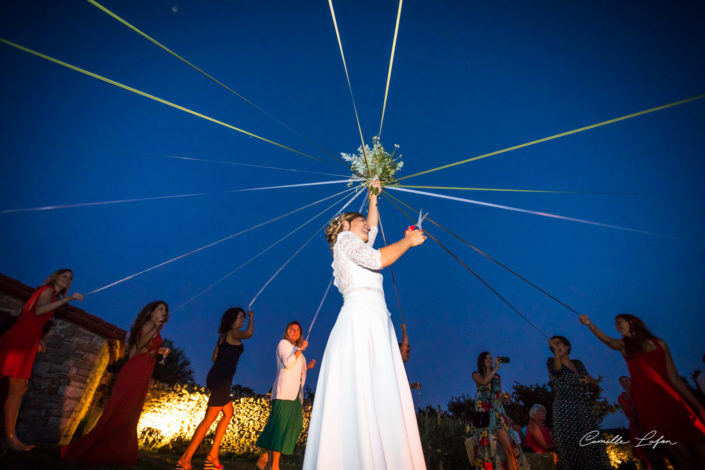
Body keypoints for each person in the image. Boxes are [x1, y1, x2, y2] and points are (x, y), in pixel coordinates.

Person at [302, 180, 427, 470]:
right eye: (360, 223)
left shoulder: (354, 240)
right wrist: (407, 242)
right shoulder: (345, 241)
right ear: (345, 225)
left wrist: (373, 200)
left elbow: (370, 229)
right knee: (364, 389)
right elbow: (377, 258)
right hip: (360, 321)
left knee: (374, 389)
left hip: (375, 319)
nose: (367, 227)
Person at [581, 313, 705, 468]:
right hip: (648, 401)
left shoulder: (660, 343)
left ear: (632, 322)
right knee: (678, 452)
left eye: (619, 322)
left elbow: (674, 378)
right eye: (615, 324)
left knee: (699, 442)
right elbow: (608, 341)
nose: (617, 326)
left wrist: (698, 405)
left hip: (670, 398)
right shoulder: (624, 346)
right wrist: (589, 324)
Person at [61, 300, 169, 465]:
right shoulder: (148, 325)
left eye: (165, 311)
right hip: (135, 372)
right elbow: (140, 344)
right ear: (151, 312)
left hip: (142, 371)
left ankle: (116, 451)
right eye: (160, 309)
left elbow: (135, 352)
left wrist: (157, 352)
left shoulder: (152, 328)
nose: (163, 313)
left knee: (130, 412)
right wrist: (154, 329)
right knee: (120, 411)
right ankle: (99, 449)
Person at [0, 269, 83, 452]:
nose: (68, 280)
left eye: (70, 279)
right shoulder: (47, 290)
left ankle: (10, 437)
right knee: (17, 388)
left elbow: (30, 316)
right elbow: (38, 311)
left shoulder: (50, 294)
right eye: (64, 276)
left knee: (18, 388)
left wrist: (39, 340)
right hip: (21, 339)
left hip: (27, 337)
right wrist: (68, 299)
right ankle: (11, 439)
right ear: (55, 277)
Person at [177, 307, 254, 470]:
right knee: (209, 419)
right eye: (241, 317)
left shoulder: (223, 336)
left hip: (217, 377)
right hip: (222, 380)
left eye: (244, 318)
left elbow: (214, 358)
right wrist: (252, 317)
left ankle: (213, 455)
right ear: (233, 320)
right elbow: (249, 334)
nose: (243, 320)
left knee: (228, 413)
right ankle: (185, 459)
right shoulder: (233, 333)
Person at [256, 321, 316, 470]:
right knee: (279, 428)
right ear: (287, 332)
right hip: (284, 393)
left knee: (295, 427)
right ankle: (273, 465)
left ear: (300, 334)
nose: (295, 332)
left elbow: (297, 371)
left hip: (296, 395)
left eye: (297, 330)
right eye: (292, 329)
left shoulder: (297, 349)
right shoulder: (283, 344)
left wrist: (307, 367)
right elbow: (288, 364)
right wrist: (301, 349)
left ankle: (265, 459)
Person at [547, 335, 611, 470]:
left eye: (559, 343)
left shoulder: (578, 363)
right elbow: (557, 371)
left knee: (590, 443)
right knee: (571, 445)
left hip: (582, 407)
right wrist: (556, 353)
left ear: (567, 346)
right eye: (553, 345)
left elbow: (593, 389)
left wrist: (592, 382)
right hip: (564, 407)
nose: (556, 347)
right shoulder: (552, 361)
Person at [471, 352, 520, 470]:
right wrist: (496, 368)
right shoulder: (476, 374)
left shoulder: (497, 377)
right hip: (485, 415)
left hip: (498, 415)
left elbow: (499, 396)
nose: (489, 360)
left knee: (509, 449)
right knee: (487, 451)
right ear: (481, 361)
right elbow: (484, 382)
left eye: (490, 358)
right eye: (486, 358)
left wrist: (505, 397)